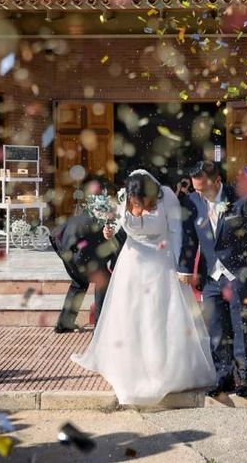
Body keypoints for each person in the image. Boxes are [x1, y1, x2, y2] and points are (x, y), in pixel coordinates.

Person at [71, 170, 216, 405]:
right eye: (135, 202)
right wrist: (109, 230)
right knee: (131, 314)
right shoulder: (123, 198)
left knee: (160, 315)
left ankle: (166, 368)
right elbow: (117, 226)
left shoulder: (166, 196)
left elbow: (176, 232)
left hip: (161, 261)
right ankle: (129, 364)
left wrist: (181, 267)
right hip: (133, 263)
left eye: (144, 201)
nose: (140, 205)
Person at [178, 160, 247, 397]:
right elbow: (189, 239)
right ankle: (223, 377)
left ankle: (246, 378)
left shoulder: (241, 199)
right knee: (217, 331)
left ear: (217, 181)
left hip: (240, 275)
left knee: (242, 329)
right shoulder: (192, 201)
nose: (198, 194)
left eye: (202, 189)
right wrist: (185, 268)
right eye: (195, 189)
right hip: (211, 278)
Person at [50, 176, 125, 333]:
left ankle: (64, 324)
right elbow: (114, 243)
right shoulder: (111, 211)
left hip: (65, 244)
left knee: (79, 283)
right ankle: (100, 325)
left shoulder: (96, 205)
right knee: (103, 279)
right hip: (77, 248)